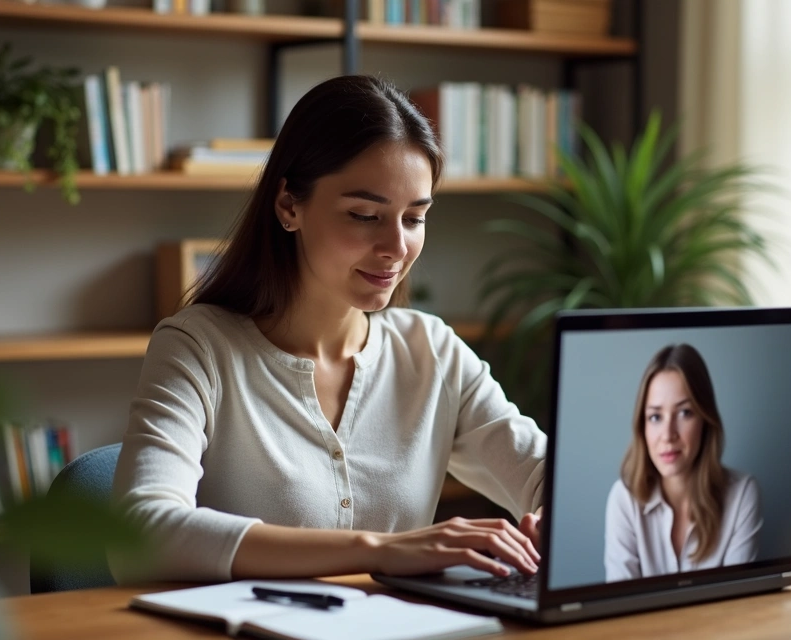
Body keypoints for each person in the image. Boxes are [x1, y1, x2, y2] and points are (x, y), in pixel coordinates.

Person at [109, 75, 544, 584]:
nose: (396, 247)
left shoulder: (432, 351)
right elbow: (140, 537)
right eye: (364, 215)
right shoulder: (198, 348)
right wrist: (378, 550)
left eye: (414, 218)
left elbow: (540, 472)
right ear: (289, 206)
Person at [603, 343, 761, 581]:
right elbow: (618, 610)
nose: (668, 434)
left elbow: (737, 607)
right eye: (655, 417)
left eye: (685, 413)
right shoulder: (623, 500)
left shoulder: (742, 496)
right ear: (642, 427)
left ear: (705, 420)